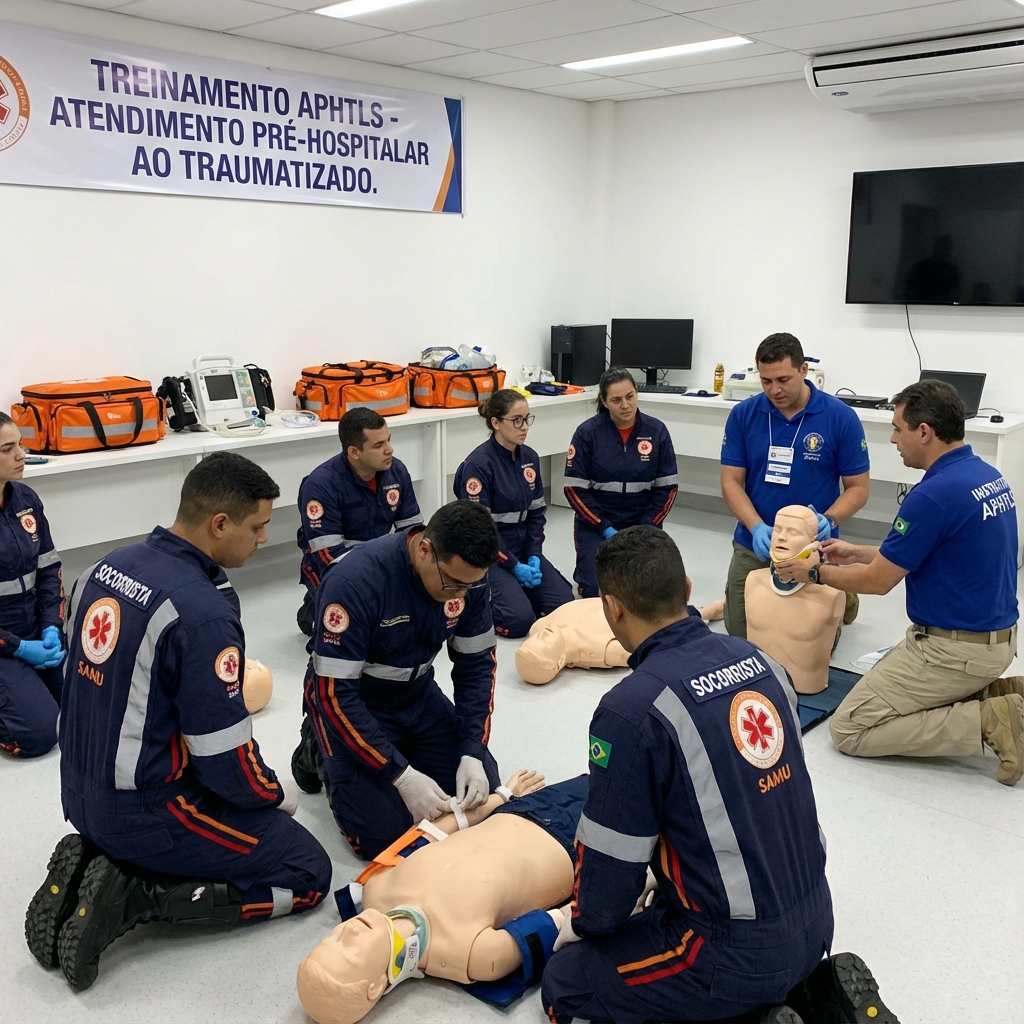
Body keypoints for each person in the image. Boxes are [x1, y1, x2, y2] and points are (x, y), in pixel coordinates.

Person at [540, 526, 888, 1024]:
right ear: (686, 590)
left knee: (570, 983)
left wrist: (584, 925)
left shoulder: (632, 710)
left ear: (611, 608)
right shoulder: (763, 662)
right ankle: (814, 998)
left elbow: (610, 874)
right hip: (816, 919)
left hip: (730, 951)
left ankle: (750, 1012)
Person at [25, 452, 331, 991]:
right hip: (145, 810)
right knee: (308, 872)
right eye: (257, 527)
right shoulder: (201, 611)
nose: (263, 539)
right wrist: (270, 794)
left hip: (78, 792)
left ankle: (103, 859)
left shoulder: (105, 566)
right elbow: (222, 756)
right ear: (219, 524)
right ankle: (142, 893)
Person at [775, 380, 1023, 786]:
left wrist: (812, 572)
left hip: (952, 650)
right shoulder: (984, 475)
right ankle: (997, 693)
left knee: (850, 729)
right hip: (995, 638)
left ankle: (988, 719)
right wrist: (856, 551)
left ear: (924, 432)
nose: (893, 439)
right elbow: (932, 550)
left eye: (897, 429)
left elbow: (876, 583)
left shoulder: (932, 495)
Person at [300, 500, 503, 860]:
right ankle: (315, 746)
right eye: (453, 584)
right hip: (353, 702)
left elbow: (476, 666)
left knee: (484, 797)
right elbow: (335, 694)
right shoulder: (356, 581)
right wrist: (401, 775)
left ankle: (402, 753)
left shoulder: (468, 580)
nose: (460, 595)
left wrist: (473, 748)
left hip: (417, 694)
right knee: (384, 838)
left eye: (469, 587)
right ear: (424, 549)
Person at [296, 768, 564, 1024]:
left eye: (330, 938)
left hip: (515, 810)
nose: (346, 931)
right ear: (375, 987)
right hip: (573, 845)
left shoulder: (375, 888)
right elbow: (569, 917)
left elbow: (434, 832)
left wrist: (503, 795)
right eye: (349, 952)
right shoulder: (473, 957)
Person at [720, 333, 870, 639]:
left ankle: (846, 595)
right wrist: (755, 526)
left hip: (813, 546)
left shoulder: (840, 417)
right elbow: (731, 482)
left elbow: (858, 488)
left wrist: (829, 520)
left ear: (804, 370)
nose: (774, 390)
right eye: (765, 381)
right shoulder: (743, 415)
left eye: (783, 379)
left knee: (810, 642)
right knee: (739, 634)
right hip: (756, 541)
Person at [454, 389, 573, 637]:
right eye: (516, 420)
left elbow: (537, 513)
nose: (524, 427)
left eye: (527, 418)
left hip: (521, 549)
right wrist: (513, 565)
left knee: (565, 606)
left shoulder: (529, 457)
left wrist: (533, 554)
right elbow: (480, 531)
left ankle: (518, 591)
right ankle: (481, 597)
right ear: (495, 423)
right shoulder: (478, 465)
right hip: (490, 555)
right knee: (519, 623)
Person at [295, 407, 423, 635]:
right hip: (334, 566)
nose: (389, 450)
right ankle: (312, 610)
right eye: (378, 445)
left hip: (382, 560)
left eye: (388, 440)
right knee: (355, 629)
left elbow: (412, 531)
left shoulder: (397, 471)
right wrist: (377, 580)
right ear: (354, 452)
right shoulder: (320, 485)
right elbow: (328, 555)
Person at [564, 368, 678, 598]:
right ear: (604, 402)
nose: (625, 405)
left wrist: (646, 528)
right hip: (598, 525)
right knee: (597, 593)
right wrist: (604, 528)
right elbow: (574, 489)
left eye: (630, 396)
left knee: (648, 593)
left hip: (642, 523)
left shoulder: (656, 431)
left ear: (637, 394)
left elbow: (667, 488)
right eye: (616, 400)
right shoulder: (587, 433)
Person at [0, 411, 65, 758]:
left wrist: (51, 627)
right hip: (3, 640)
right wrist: (19, 649)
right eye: (7, 449)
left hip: (34, 628)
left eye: (20, 445)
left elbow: (49, 569)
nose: (21, 455)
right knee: (40, 736)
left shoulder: (25, 499)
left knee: (87, 702)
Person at [745, 505, 846, 695]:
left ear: (814, 541)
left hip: (806, 686)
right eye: (777, 529)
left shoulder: (831, 594)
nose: (781, 537)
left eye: (792, 532)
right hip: (760, 681)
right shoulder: (753, 580)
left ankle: (851, 606)